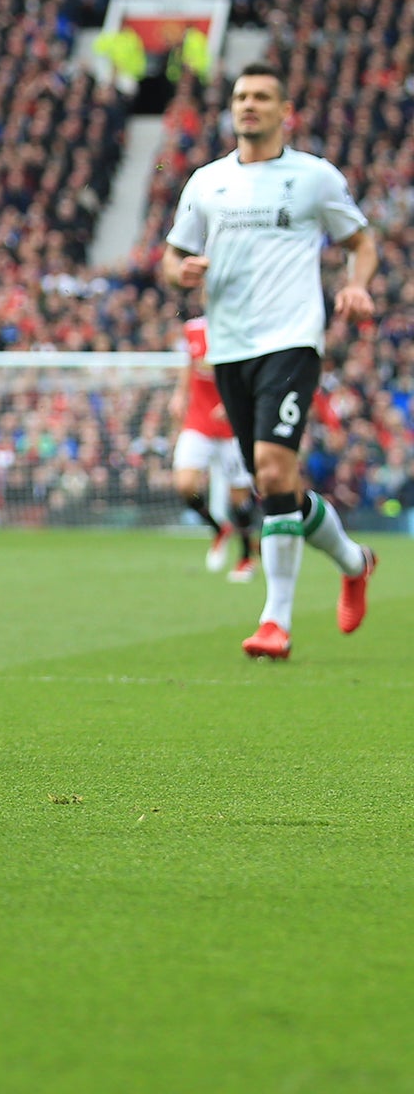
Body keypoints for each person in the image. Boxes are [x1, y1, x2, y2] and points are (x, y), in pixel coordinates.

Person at [160, 64, 379, 660]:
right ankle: (355, 562)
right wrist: (177, 270)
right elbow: (172, 255)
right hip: (227, 347)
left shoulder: (312, 178)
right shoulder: (207, 183)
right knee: (271, 483)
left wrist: (357, 285)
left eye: (261, 97)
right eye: (240, 97)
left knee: (274, 473)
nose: (248, 105)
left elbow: (361, 242)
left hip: (291, 339)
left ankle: (274, 620)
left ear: (286, 111)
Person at [172, 315, 259, 581]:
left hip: (232, 426)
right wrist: (179, 394)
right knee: (185, 485)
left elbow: (253, 372)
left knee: (239, 499)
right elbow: (191, 363)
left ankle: (246, 557)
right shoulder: (193, 329)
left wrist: (236, 402)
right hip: (199, 421)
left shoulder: (243, 328)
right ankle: (218, 528)